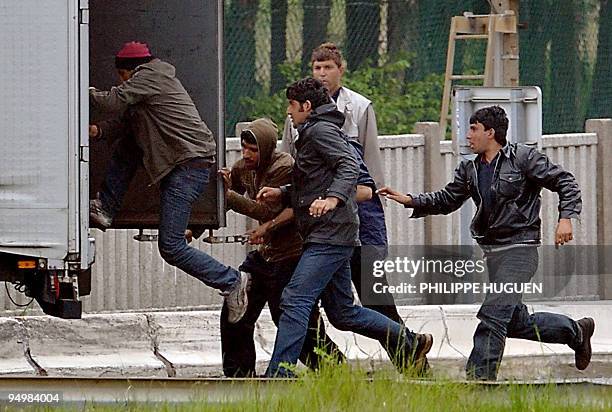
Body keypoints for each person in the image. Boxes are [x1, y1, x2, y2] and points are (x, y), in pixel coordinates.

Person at [378, 105, 595, 380]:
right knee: (515, 322)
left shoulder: (523, 158)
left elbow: (565, 181)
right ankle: (576, 331)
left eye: (473, 129)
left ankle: (479, 380)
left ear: (490, 133)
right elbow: (447, 199)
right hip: (493, 253)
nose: (467, 135)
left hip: (521, 249)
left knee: (492, 315)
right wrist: (411, 200)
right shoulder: (469, 169)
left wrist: (566, 218)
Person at [258, 77, 433, 377]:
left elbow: (349, 167)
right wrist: (284, 193)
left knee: (295, 299)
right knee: (342, 313)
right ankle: (411, 341)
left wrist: (333, 199)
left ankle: (279, 375)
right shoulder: (314, 131)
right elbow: (314, 180)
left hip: (330, 233)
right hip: (331, 232)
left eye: (291, 105)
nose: (288, 111)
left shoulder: (320, 131)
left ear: (307, 106)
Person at [88, 41, 249, 323]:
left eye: (121, 78)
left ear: (128, 71)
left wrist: (77, 89)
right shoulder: (150, 84)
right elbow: (125, 123)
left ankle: (230, 281)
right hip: (186, 164)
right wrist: (98, 131)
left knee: (171, 246)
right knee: (128, 143)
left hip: (189, 167)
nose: (122, 83)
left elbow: (112, 101)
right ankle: (106, 208)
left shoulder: (150, 76)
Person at [281, 42, 402, 325]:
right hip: (317, 214)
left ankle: (407, 349)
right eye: (317, 67)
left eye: (328, 67)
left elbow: (369, 163)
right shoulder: (298, 110)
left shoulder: (358, 107)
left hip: (355, 206)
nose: (322, 73)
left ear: (341, 70)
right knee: (316, 298)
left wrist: (372, 200)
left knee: (372, 290)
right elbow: (289, 161)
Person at [218, 118, 343, 376]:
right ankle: (239, 376)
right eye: (244, 148)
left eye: (253, 150)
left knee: (289, 317)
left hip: (292, 255)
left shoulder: (283, 167)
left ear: (265, 147)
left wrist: (229, 196)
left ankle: (334, 370)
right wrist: (195, 225)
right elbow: (225, 197)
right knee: (236, 307)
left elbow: (266, 209)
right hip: (265, 255)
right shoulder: (245, 168)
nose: (247, 154)